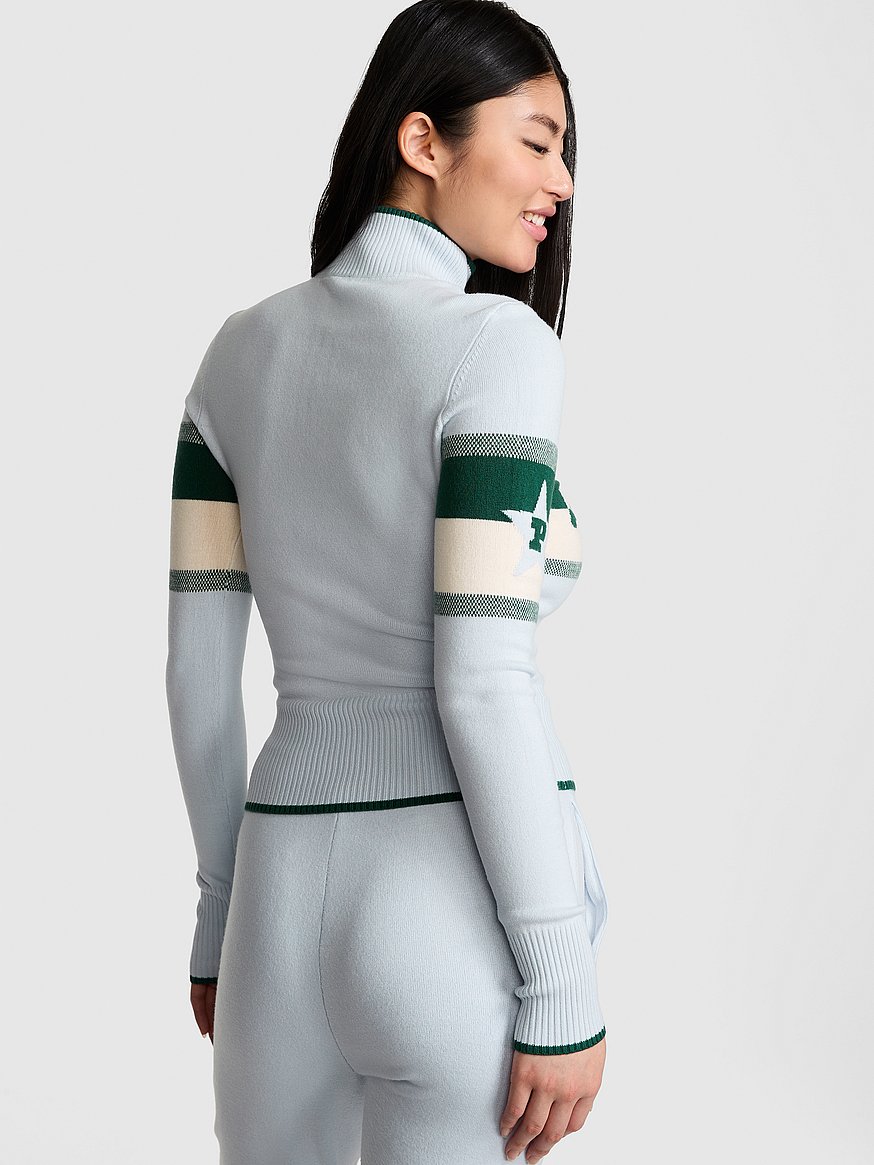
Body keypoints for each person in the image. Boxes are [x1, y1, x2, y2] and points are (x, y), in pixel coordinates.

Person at [165, 2, 609, 1162]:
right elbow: (482, 682)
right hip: (442, 905)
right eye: (536, 140)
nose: (560, 181)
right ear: (422, 141)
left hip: (274, 908)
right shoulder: (496, 348)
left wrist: (218, 921)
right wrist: (560, 976)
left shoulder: (234, 353)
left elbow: (198, 677)